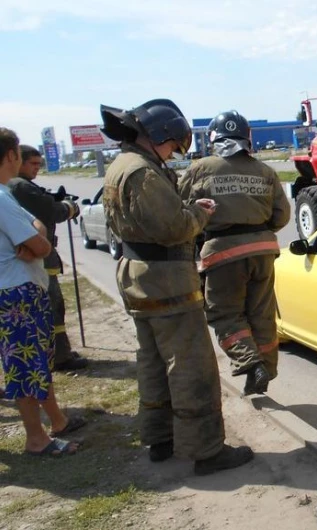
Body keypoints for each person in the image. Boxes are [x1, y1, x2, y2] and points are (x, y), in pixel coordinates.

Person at [98, 99, 253, 475]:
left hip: (138, 277)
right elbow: (174, 229)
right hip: (166, 280)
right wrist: (200, 213)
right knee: (191, 366)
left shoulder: (121, 165)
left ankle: (160, 439)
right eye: (170, 145)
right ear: (157, 135)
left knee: (152, 362)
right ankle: (207, 450)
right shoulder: (144, 172)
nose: (172, 153)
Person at [179, 110, 290, 396]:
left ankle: (251, 364)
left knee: (225, 314)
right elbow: (282, 215)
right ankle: (266, 367)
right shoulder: (265, 171)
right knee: (261, 314)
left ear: (214, 138)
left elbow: (180, 208)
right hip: (263, 251)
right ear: (247, 138)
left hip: (223, 253)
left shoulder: (201, 168)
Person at [0, 127, 86, 457]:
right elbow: (39, 239)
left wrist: (36, 241)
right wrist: (38, 242)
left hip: (20, 289)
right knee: (24, 366)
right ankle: (36, 438)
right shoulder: (2, 198)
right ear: (11, 155)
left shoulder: (7, 193)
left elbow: (36, 228)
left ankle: (57, 421)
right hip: (16, 293)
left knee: (38, 361)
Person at [8, 144, 88, 372]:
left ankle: (58, 351)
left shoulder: (16, 186)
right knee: (53, 304)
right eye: (33, 164)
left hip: (36, 255)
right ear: (17, 161)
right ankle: (59, 357)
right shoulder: (20, 186)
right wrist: (69, 207)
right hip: (39, 257)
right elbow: (52, 212)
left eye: (39, 164)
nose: (36, 169)